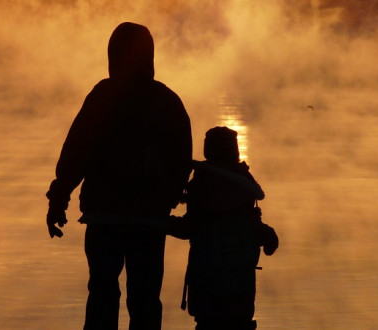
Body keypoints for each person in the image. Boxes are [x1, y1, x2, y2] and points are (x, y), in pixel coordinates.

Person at [45, 22, 192, 330]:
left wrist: (59, 198)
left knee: (102, 294)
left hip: (104, 219)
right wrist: (169, 199)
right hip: (149, 222)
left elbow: (76, 152)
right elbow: (182, 161)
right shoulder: (168, 102)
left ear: (113, 56)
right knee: (145, 301)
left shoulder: (102, 96)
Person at [172, 126, 277, 330]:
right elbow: (255, 226)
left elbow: (189, 228)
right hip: (240, 294)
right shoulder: (244, 184)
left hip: (206, 292)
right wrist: (269, 239)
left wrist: (159, 223)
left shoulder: (201, 183)